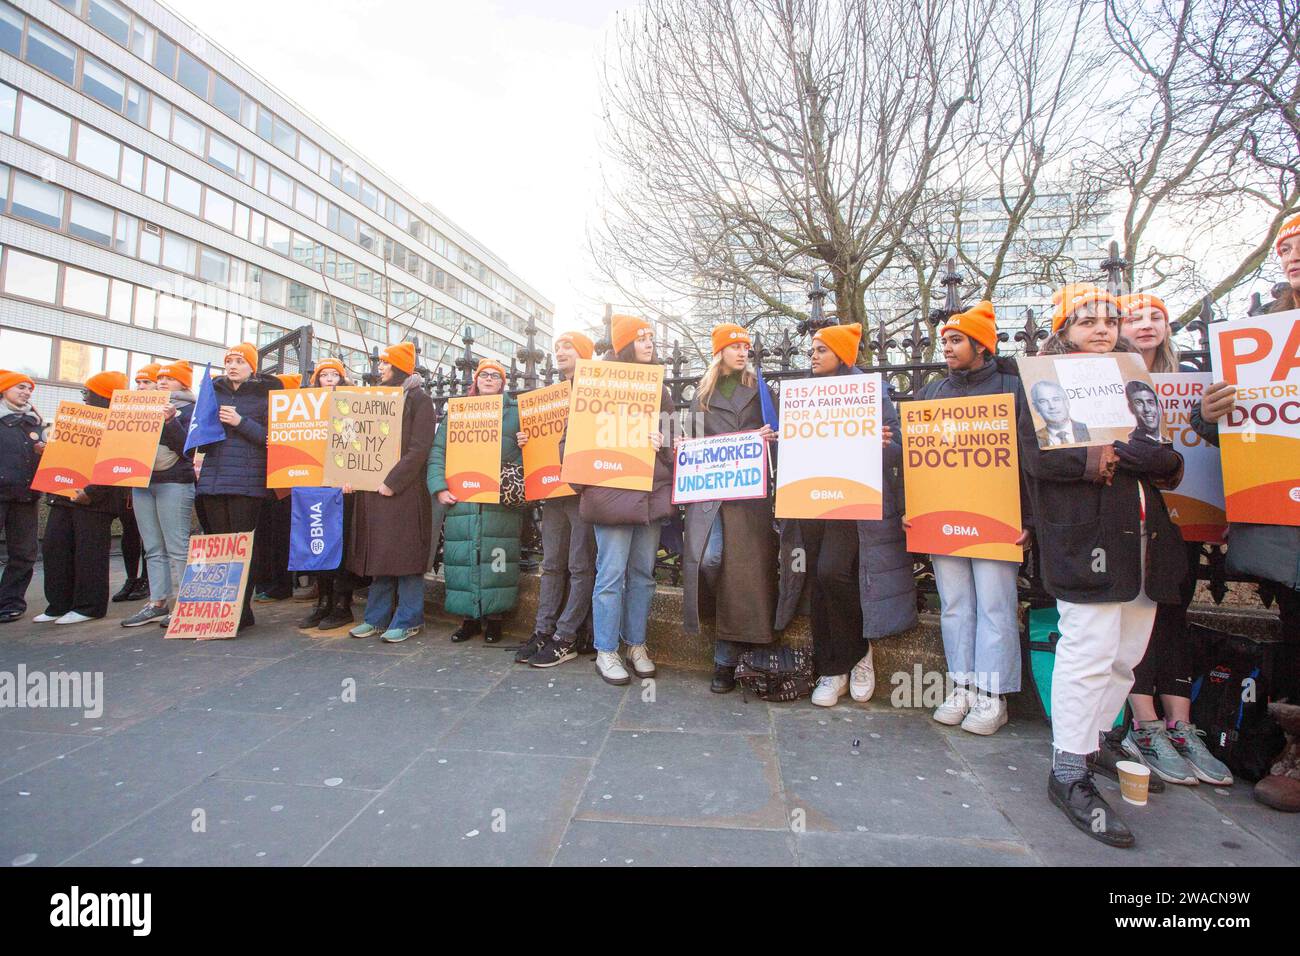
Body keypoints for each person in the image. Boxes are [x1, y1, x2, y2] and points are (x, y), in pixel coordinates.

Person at [1021, 283, 1188, 848]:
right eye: (1087, 319)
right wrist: (1107, 456)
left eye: (1109, 320)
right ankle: (1067, 769)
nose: (1102, 328)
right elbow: (1036, 457)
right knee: (1088, 649)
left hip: (1144, 538)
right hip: (1086, 539)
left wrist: (1158, 458)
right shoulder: (1041, 380)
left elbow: (1165, 457)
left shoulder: (1132, 377)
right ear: (1064, 328)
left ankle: (1093, 743)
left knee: (1126, 656)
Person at [1191, 215, 1300, 806]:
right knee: (1296, 629)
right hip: (1286, 518)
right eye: (1285, 248)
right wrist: (1209, 413)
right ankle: (1294, 747)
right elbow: (1221, 435)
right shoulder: (1262, 336)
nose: (1293, 257)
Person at [1112, 291, 1233, 786]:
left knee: (1174, 611)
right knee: (1135, 615)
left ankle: (1182, 727)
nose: (1145, 325)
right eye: (1134, 317)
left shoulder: (1194, 381)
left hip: (1187, 515)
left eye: (1155, 317)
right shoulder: (1107, 380)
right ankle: (1146, 725)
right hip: (1134, 515)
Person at [774, 322, 917, 707]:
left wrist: (882, 442)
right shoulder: (803, 393)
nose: (813, 356)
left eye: (821, 349)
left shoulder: (871, 390)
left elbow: (898, 449)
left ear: (842, 353)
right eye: (812, 350)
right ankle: (831, 668)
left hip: (852, 502)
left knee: (832, 572)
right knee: (817, 582)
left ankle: (858, 655)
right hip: (811, 499)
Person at [912, 302, 1029, 734]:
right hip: (944, 519)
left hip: (997, 519)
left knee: (996, 604)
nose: (947, 346)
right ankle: (962, 684)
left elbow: (1028, 458)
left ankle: (992, 694)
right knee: (956, 604)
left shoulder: (1012, 387)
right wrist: (916, 512)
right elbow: (916, 459)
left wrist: (1028, 520)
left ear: (982, 345)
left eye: (956, 339)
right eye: (944, 340)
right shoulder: (932, 392)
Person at [679, 323, 779, 694]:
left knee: (743, 577)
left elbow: (781, 433)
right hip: (709, 496)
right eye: (734, 346)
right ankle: (717, 630)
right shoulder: (701, 395)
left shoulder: (760, 390)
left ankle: (725, 661)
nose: (742, 352)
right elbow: (691, 443)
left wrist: (767, 438)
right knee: (709, 560)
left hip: (748, 499)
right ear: (719, 351)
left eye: (745, 347)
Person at [580, 314, 675, 685]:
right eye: (641, 338)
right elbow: (571, 444)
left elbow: (673, 443)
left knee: (642, 576)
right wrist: (589, 488)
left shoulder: (661, 390)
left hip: (649, 495)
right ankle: (606, 650)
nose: (649, 343)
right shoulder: (596, 383)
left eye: (651, 337)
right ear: (624, 345)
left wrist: (662, 443)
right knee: (610, 575)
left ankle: (636, 644)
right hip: (611, 497)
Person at [513, 331, 597, 668]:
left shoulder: (594, 390)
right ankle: (543, 630)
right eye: (558, 347)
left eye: (568, 347)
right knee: (551, 565)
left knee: (579, 565)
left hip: (582, 491)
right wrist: (526, 440)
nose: (560, 351)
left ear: (584, 354)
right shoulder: (550, 396)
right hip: (553, 490)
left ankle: (566, 636)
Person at [426, 358, 524, 644]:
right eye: (485, 375)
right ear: (476, 380)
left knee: (498, 560)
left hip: (498, 501)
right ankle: (468, 619)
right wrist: (439, 488)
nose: (490, 379)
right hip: (462, 499)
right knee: (462, 560)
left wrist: (524, 441)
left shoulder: (516, 413)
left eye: (495, 375)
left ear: (503, 383)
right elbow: (437, 452)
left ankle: (495, 619)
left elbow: (532, 453)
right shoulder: (457, 412)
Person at [348, 342, 436, 643]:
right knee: (381, 557)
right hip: (374, 489)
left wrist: (392, 481)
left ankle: (410, 618)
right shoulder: (376, 398)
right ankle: (375, 617)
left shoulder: (420, 400)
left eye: (385, 364)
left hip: (404, 492)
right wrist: (350, 475)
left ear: (398, 366)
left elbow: (419, 449)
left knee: (406, 559)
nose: (380, 368)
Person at [194, 344, 280, 633]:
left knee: (241, 548)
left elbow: (273, 440)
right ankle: (219, 609)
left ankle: (240, 610)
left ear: (252, 367)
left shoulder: (264, 396)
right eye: (229, 361)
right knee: (218, 547)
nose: (232, 366)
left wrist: (240, 422)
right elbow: (199, 440)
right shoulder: (212, 392)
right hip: (213, 480)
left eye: (240, 361)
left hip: (247, 482)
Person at [34, 371, 125, 625]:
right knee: (55, 547)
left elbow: (115, 464)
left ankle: (89, 605)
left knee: (89, 553)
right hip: (64, 495)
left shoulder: (120, 423)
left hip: (96, 501)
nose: (84, 397)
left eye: (88, 392)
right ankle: (58, 603)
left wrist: (92, 492)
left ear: (103, 395)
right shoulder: (77, 418)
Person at [120, 362, 196, 629]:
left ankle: (187, 603)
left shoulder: (190, 409)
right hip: (141, 482)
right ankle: (157, 602)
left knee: (177, 546)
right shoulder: (139, 406)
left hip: (174, 482)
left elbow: (188, 449)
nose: (162, 381)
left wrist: (170, 420)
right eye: (160, 377)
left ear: (184, 384)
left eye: (170, 378)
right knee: (152, 547)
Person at [299, 359, 361, 630]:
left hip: (342, 487)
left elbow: (356, 444)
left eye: (335, 374)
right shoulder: (304, 407)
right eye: (324, 375)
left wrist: (351, 476)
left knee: (341, 543)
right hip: (314, 486)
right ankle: (323, 600)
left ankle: (342, 603)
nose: (329, 379)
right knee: (318, 541)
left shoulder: (351, 405)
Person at [111, 363, 160, 604]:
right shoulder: (126, 408)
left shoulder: (166, 409)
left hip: (155, 480)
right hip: (128, 480)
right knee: (130, 531)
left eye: (147, 382)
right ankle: (132, 578)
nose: (141, 387)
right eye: (139, 382)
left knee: (151, 536)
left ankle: (149, 580)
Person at [0, 370, 45, 623]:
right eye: (20, 387)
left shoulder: (34, 422)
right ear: (4, 389)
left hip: (26, 495)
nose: (26, 392)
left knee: (24, 552)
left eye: (29, 389)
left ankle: (10, 602)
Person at [1030, 380, 1091, 446]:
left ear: (1066, 402)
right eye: (1043, 401)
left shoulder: (1088, 429)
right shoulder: (1032, 440)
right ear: (1036, 407)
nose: (1052, 406)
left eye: (1056, 399)